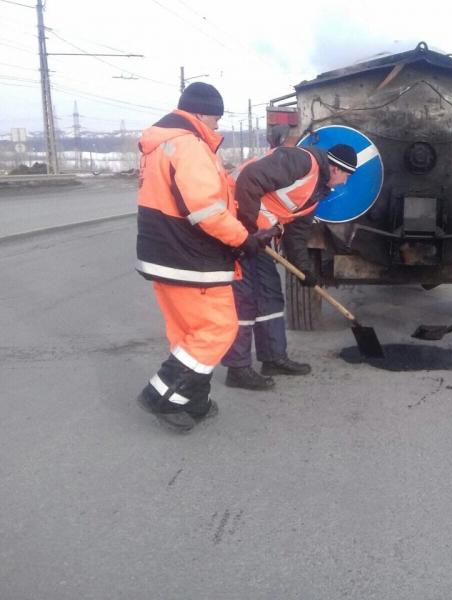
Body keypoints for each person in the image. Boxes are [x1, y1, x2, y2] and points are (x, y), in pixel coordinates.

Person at [135, 82, 267, 431]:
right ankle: (159, 395)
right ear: (198, 113)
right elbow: (206, 210)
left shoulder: (159, 145)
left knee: (188, 333)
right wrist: (243, 239)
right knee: (218, 330)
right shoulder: (189, 146)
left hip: (164, 255)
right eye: (215, 119)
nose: (218, 127)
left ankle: (192, 399)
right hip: (192, 259)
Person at [220, 137, 358, 390]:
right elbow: (249, 179)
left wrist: (304, 270)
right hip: (235, 229)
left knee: (270, 296)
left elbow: (297, 234)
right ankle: (237, 368)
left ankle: (273, 358)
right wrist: (249, 234)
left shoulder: (316, 193)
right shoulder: (302, 162)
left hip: (254, 239)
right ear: (336, 168)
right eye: (347, 175)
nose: (344, 183)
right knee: (246, 300)